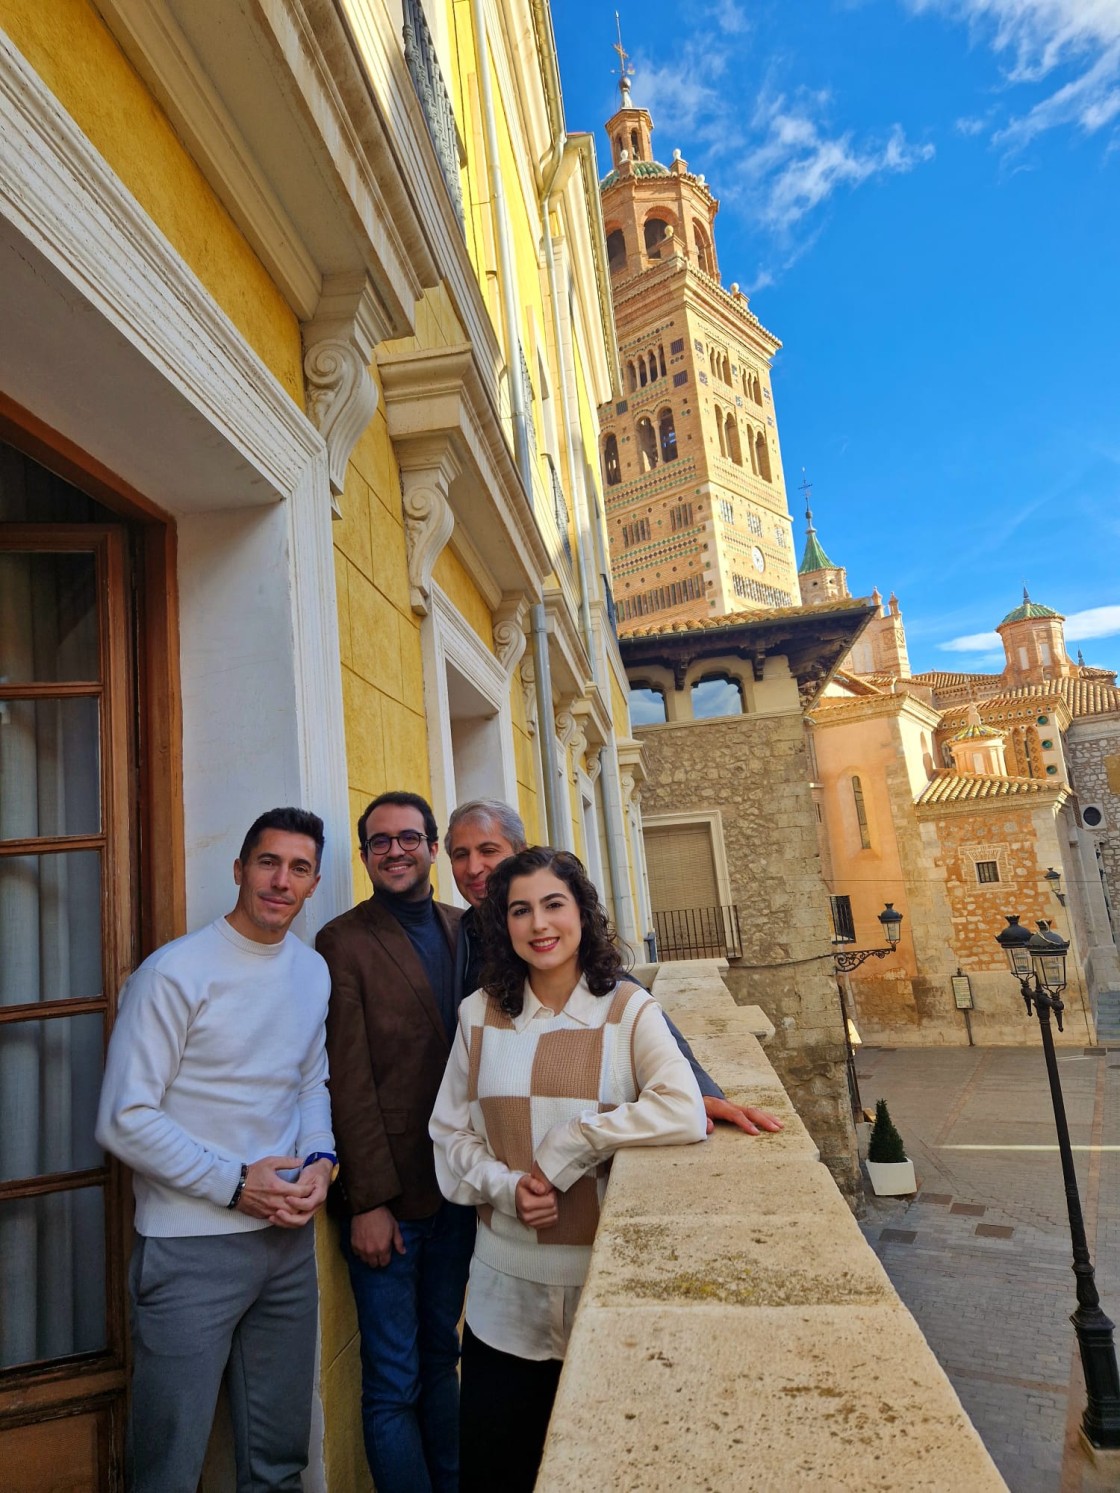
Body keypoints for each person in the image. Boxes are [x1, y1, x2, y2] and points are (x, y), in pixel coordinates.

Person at [430, 846, 708, 1492]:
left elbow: (683, 1109)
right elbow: (449, 1134)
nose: (539, 924)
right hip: (504, 1295)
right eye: (520, 910)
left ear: (582, 911)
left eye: (553, 904)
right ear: (504, 925)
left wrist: (571, 1143)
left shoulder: (626, 1009)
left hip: (604, 1287)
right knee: (499, 1472)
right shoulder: (479, 1013)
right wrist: (507, 1187)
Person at [95, 807, 336, 1493]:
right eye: (267, 862)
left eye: (297, 868)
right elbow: (124, 1117)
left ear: (313, 881)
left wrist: (320, 1160)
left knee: (278, 1460)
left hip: (287, 1245)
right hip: (190, 1247)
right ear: (239, 868)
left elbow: (308, 1081)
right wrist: (236, 1184)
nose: (280, 880)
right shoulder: (173, 973)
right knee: (168, 1468)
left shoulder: (311, 971)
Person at [445, 798, 783, 1137]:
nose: (474, 867)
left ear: (518, 852)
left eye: (488, 850)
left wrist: (700, 1088)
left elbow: (623, 993)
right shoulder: (461, 930)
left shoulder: (550, 933)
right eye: (461, 854)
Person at [315, 792, 476, 1493]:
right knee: (392, 1380)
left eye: (409, 837)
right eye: (379, 842)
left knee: (443, 1357)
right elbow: (345, 1080)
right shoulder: (343, 940)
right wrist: (369, 1201)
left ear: (432, 848)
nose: (395, 850)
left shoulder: (466, 929)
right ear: (365, 855)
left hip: (460, 1191)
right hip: (391, 1204)